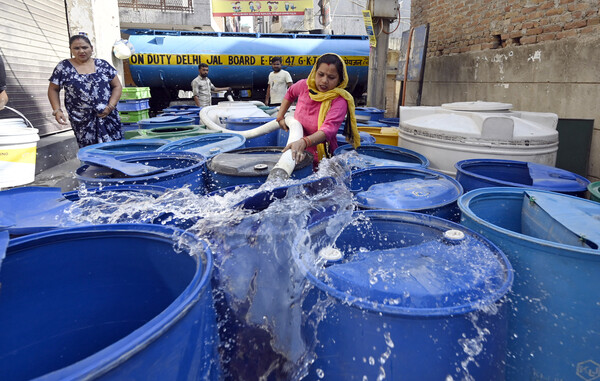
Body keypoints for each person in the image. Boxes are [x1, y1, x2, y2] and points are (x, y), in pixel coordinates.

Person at [276, 53, 360, 166]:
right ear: (314, 72)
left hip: (323, 154)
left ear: (340, 80)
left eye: (331, 77)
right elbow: (290, 93)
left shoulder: (339, 101)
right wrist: (280, 116)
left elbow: (328, 130)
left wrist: (304, 142)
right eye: (321, 74)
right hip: (296, 145)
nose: (324, 80)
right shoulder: (304, 86)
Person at [47, 34, 123, 148]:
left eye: (84, 47)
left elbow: (117, 86)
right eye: (76, 48)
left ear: (91, 48)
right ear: (71, 50)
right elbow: (53, 89)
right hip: (81, 120)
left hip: (107, 116)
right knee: (89, 151)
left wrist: (110, 106)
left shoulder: (103, 65)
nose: (81, 51)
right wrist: (57, 110)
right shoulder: (63, 67)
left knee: (115, 149)